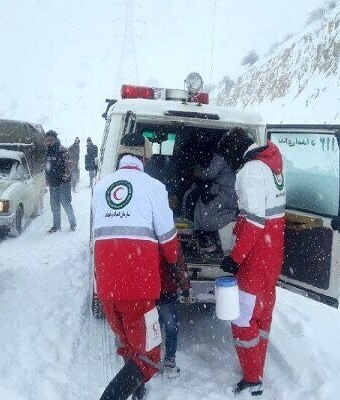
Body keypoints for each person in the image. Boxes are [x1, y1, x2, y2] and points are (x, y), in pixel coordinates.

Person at [92, 132, 179, 400]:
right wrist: (174, 265)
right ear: (145, 156)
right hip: (139, 289)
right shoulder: (153, 187)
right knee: (150, 357)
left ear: (120, 156)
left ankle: (138, 392)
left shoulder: (101, 186)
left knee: (130, 346)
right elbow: (168, 238)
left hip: (107, 288)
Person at [216, 127, 286, 398]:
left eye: (228, 157)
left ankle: (253, 380)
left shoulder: (251, 172)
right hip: (272, 257)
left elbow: (255, 221)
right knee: (263, 317)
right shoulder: (272, 166)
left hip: (255, 260)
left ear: (235, 152)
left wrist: (234, 259)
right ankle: (257, 369)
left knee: (243, 319)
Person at [191, 150, 237, 254]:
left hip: (225, 193)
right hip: (233, 194)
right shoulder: (234, 155)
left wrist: (200, 174)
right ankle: (211, 238)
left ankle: (207, 240)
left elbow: (210, 174)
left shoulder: (222, 156)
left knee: (203, 212)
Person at [158, 244, 192, 379]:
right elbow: (179, 268)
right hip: (166, 292)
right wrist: (185, 290)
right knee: (171, 327)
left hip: (148, 291)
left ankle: (150, 360)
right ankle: (169, 362)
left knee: (151, 328)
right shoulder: (170, 241)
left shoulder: (145, 237)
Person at [44, 130, 76, 233]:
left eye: (51, 140)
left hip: (63, 183)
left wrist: (64, 178)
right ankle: (56, 226)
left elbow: (69, 166)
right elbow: (47, 166)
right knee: (54, 206)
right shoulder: (47, 151)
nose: (49, 142)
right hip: (53, 183)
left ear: (55, 139)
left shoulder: (63, 150)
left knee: (66, 203)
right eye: (47, 140)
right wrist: (47, 178)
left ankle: (73, 224)